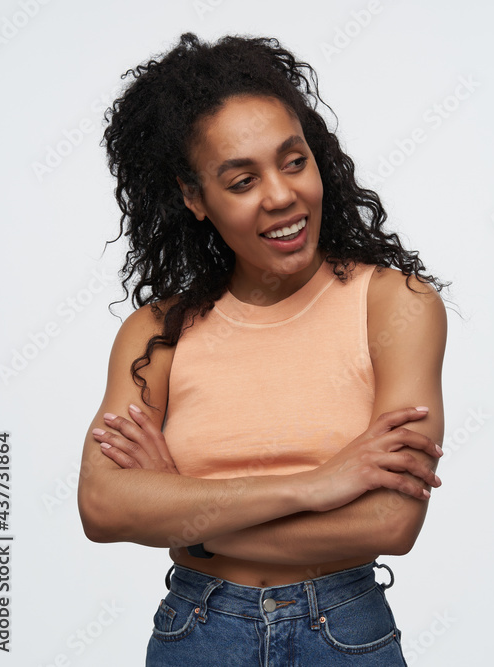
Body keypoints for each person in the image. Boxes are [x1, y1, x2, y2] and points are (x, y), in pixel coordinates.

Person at [76, 32, 450, 665]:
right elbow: (104, 506)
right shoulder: (157, 334)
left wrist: (190, 525)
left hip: (344, 632)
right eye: (243, 180)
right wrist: (319, 484)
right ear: (194, 197)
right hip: (200, 633)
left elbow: (389, 523)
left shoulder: (394, 305)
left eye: (294, 161)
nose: (280, 195)